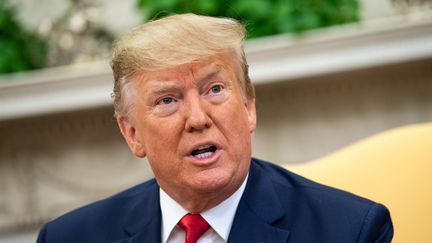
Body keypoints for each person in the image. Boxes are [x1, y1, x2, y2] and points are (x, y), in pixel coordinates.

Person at [36, 13, 393, 243]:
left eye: (215, 90)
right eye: (167, 100)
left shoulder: (350, 231)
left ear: (249, 108)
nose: (198, 118)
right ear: (132, 134)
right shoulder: (69, 238)